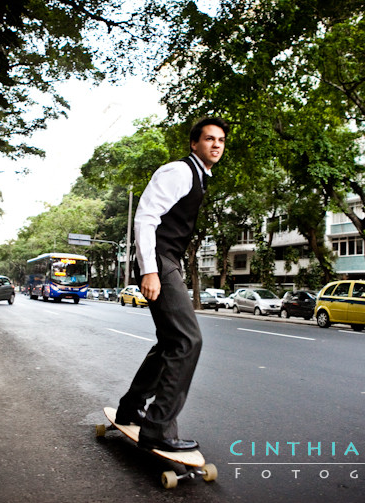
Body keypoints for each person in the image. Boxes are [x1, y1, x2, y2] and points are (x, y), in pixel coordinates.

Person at [115, 117, 229, 452]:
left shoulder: (199, 176)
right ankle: (159, 428)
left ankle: (131, 408)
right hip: (161, 262)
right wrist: (150, 270)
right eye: (209, 139)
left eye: (221, 140)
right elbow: (146, 218)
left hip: (166, 261)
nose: (216, 145)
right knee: (187, 341)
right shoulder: (179, 171)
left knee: (169, 343)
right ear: (194, 144)